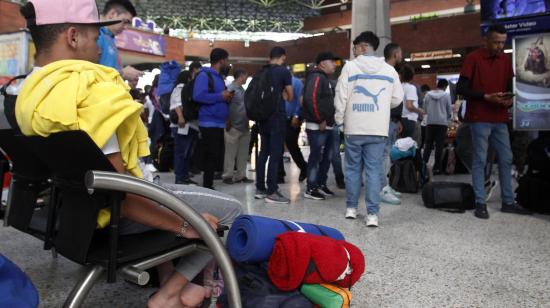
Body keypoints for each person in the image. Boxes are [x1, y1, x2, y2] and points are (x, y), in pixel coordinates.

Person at [16, 2, 242, 307]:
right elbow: (124, 197)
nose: (100, 50)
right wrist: (187, 225)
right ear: (72, 36)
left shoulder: (27, 93)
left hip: (69, 218)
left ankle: (172, 280)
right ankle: (169, 293)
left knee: (164, 189)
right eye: (96, 39)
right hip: (112, 220)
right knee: (232, 210)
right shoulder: (89, 92)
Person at [456, 24, 531, 219]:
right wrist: (485, 96)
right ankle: (480, 202)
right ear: (486, 40)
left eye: (502, 43)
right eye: (496, 42)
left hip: (499, 117)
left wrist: (508, 99)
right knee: (480, 159)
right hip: (479, 117)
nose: (500, 46)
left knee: (506, 159)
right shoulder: (473, 58)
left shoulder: (505, 60)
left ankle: (508, 201)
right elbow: (461, 88)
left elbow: (508, 85)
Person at [335, 31, 404, 227]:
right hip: (377, 129)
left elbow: (341, 97)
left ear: (364, 47)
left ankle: (351, 208)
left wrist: (340, 120)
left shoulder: (350, 68)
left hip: (354, 128)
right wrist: (381, 106)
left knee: (352, 169)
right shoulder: (389, 70)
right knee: (374, 171)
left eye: (356, 47)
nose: (355, 52)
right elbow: (397, 99)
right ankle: (372, 215)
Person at [254, 47, 294, 204]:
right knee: (276, 154)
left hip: (263, 118)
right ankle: (272, 191)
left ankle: (260, 188)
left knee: (263, 152)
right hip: (277, 117)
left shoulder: (261, 72)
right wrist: (284, 94)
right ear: (282, 57)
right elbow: (290, 96)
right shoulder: (283, 72)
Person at [193, 48, 234, 189]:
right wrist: (220, 96)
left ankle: (209, 184)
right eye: (226, 60)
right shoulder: (204, 76)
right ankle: (207, 185)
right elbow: (198, 96)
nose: (227, 64)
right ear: (221, 60)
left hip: (218, 122)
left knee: (215, 155)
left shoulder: (219, 78)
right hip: (208, 121)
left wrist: (226, 99)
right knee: (210, 155)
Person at [302, 52, 339, 200]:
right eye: (332, 61)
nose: (334, 64)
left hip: (327, 125)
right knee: (315, 157)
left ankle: (321, 184)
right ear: (322, 63)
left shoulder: (325, 78)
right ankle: (311, 188)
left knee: (327, 157)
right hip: (318, 126)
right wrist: (320, 119)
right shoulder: (317, 76)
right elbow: (311, 99)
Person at [380, 42, 404, 205]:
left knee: (387, 155)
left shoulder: (392, 71)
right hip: (385, 120)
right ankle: (382, 189)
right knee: (383, 156)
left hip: (392, 120)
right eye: (400, 53)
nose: (401, 56)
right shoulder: (386, 72)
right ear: (395, 54)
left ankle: (386, 185)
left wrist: (398, 119)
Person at [97, 0, 143, 82]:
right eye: (125, 21)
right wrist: (123, 73)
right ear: (112, 14)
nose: (126, 27)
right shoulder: (95, 35)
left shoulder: (110, 38)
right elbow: (89, 72)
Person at [223, 69, 253, 184]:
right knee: (230, 152)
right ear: (242, 76)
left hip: (244, 125)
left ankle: (241, 175)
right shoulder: (231, 89)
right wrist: (227, 120)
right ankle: (228, 175)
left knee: (243, 152)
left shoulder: (242, 89)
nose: (246, 78)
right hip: (233, 125)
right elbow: (225, 105)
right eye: (246, 75)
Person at [169, 70, 199, 185]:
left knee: (186, 154)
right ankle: (180, 178)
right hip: (182, 125)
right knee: (181, 153)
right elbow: (176, 104)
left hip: (189, 125)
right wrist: (181, 117)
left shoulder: (185, 89)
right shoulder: (180, 88)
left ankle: (184, 176)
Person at [278, 73, 308, 183]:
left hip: (292, 119)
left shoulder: (296, 82)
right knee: (278, 147)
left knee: (292, 145)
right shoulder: (278, 82)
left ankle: (304, 167)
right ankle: (279, 174)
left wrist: (296, 115)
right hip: (280, 118)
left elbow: (301, 101)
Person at [422, 79, 452, 174]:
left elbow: (425, 109)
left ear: (437, 85)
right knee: (439, 146)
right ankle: (437, 168)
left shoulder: (427, 95)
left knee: (428, 145)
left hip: (430, 123)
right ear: (445, 87)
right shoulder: (446, 96)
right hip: (442, 123)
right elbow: (449, 111)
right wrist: (446, 117)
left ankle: (423, 165)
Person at [400, 65, 425, 142]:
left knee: (401, 145)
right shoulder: (411, 88)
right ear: (412, 76)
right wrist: (419, 111)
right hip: (409, 120)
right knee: (411, 146)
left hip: (400, 120)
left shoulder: (399, 87)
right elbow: (409, 106)